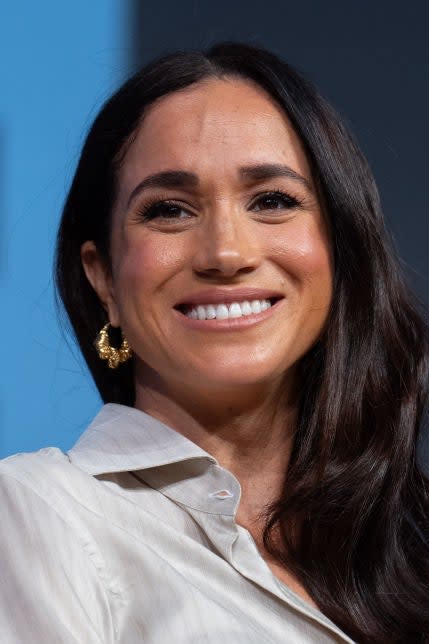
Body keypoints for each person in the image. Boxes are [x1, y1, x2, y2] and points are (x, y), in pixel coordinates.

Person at [0, 41, 428, 643]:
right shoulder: (39, 513)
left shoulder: (405, 556)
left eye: (272, 201)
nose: (227, 252)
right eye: (169, 210)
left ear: (340, 250)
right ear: (104, 281)